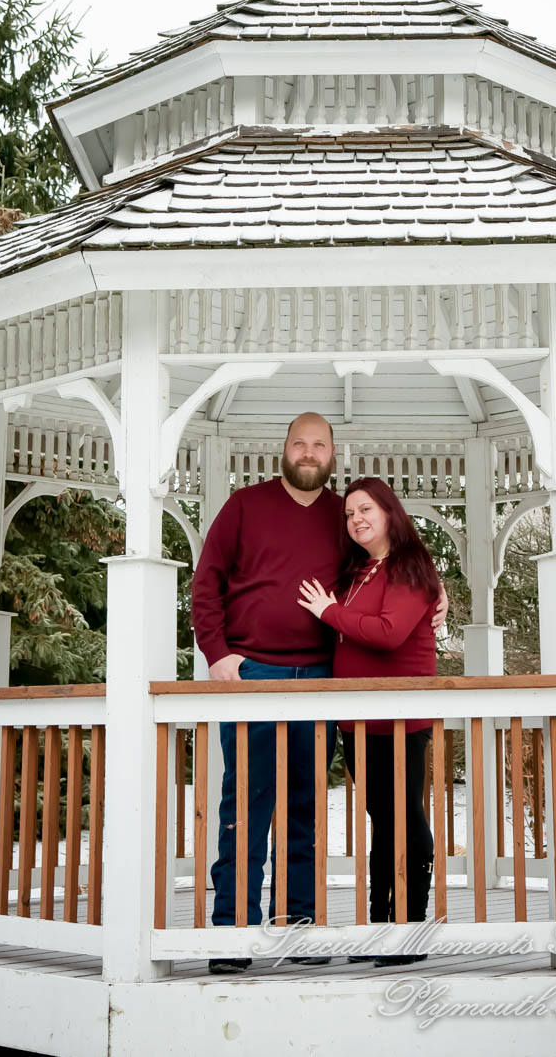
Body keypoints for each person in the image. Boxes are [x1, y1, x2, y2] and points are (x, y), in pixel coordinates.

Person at [191, 414, 446, 974]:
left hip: (324, 678)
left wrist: (436, 589)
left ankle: (297, 930)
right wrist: (216, 651)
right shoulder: (243, 507)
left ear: (333, 453)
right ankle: (233, 933)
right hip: (253, 673)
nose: (309, 453)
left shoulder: (344, 515)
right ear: (282, 450)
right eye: (299, 444)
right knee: (246, 804)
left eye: (319, 445)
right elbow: (205, 581)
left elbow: (391, 561)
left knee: (304, 806)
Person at [297, 476, 439, 967]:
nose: (357, 518)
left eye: (366, 509)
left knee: (405, 818)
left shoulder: (411, 566)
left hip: (400, 720)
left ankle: (410, 927)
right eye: (350, 512)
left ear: (389, 511)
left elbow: (388, 633)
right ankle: (382, 926)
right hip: (358, 722)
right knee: (384, 820)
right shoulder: (358, 570)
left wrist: (329, 611)